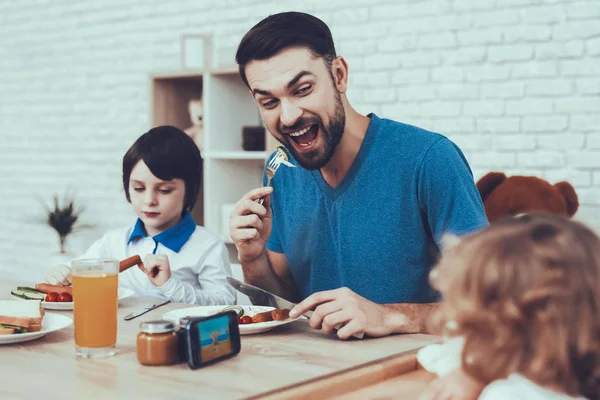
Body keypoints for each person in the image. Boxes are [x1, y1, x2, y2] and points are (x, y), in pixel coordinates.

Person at [229, 12, 488, 339]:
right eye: (269, 102)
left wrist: (390, 316)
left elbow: (491, 304)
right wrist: (252, 258)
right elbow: (288, 304)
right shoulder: (281, 172)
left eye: (303, 89)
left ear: (338, 75)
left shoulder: (429, 158)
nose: (289, 115)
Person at [45, 126, 235, 305]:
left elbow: (226, 302)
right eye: (138, 188)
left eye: (164, 190)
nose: (149, 200)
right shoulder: (113, 242)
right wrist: (63, 272)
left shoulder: (208, 246)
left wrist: (171, 286)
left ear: (191, 190)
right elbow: (77, 268)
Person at [417, 213, 600, 400]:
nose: (455, 330)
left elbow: (439, 354)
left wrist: (474, 372)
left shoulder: (508, 394)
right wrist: (472, 373)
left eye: (471, 326)